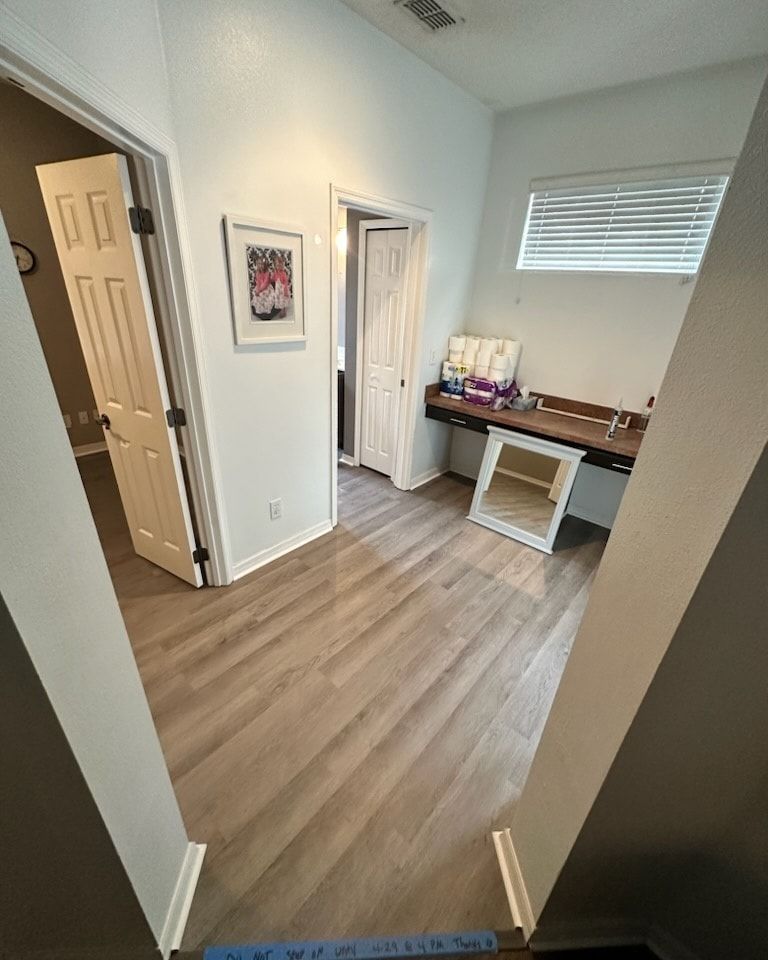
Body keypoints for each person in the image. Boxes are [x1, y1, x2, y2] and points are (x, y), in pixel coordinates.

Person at [272, 254, 292, 318]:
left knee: (283, 300)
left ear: (283, 265)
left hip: (283, 289)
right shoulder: (275, 273)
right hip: (278, 290)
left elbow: (286, 282)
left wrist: (285, 290)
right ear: (275, 266)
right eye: (278, 265)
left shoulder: (283, 273)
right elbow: (273, 279)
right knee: (279, 300)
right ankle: (280, 309)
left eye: (282, 265)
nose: (280, 267)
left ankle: (284, 310)